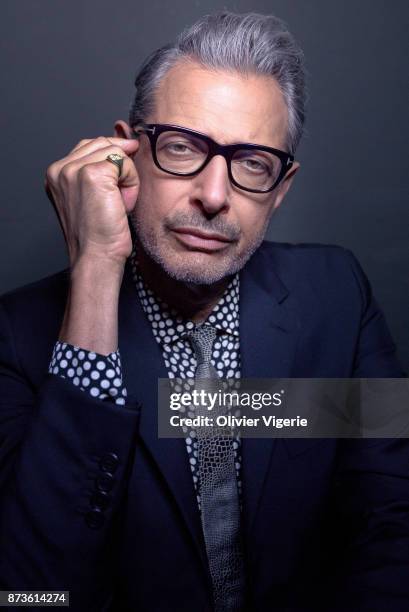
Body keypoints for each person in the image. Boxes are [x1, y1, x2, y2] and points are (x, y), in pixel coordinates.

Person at [0, 10, 408, 612]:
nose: (214, 196)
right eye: (183, 147)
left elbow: (392, 517)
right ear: (125, 153)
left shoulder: (336, 293)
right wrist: (94, 268)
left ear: (282, 186)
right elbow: (33, 593)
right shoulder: (17, 335)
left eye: (252, 163)